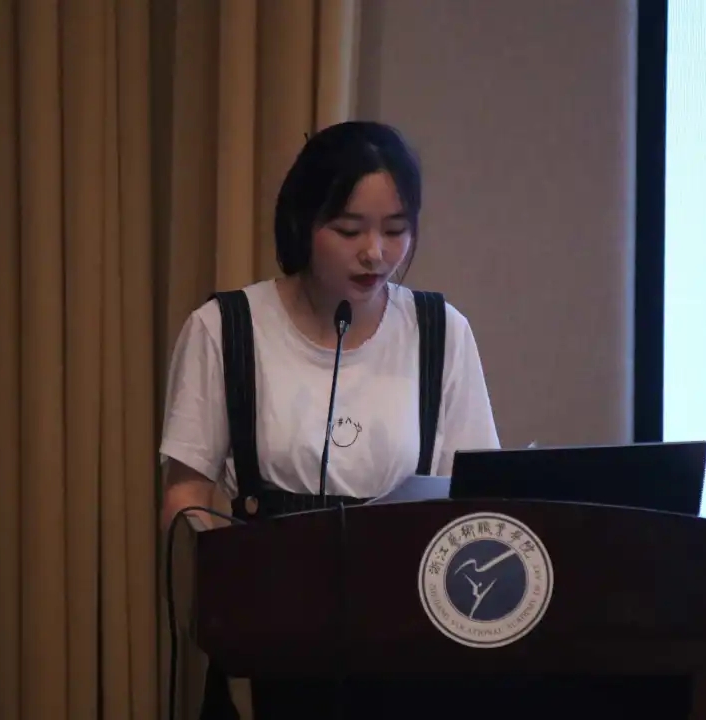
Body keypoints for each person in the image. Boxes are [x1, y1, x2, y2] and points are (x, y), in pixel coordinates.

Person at [158, 121, 501, 718]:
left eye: (395, 230)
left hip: (407, 652)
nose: (376, 253)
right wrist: (236, 576)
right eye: (349, 230)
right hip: (269, 646)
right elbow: (184, 494)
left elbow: (478, 499)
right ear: (302, 223)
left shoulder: (442, 332)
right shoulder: (225, 328)